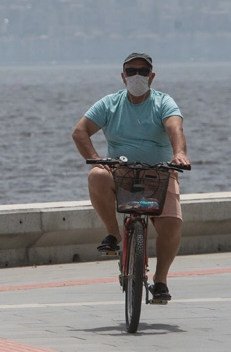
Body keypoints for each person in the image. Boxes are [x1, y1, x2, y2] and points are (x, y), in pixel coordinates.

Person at [72, 52, 190, 302]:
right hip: (121, 172)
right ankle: (113, 233)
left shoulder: (163, 102)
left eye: (143, 72)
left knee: (172, 223)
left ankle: (160, 281)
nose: (137, 76)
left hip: (160, 172)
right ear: (123, 76)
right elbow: (80, 131)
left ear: (152, 76)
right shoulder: (109, 103)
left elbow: (175, 128)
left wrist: (179, 154)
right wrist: (97, 159)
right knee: (96, 176)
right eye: (131, 71)